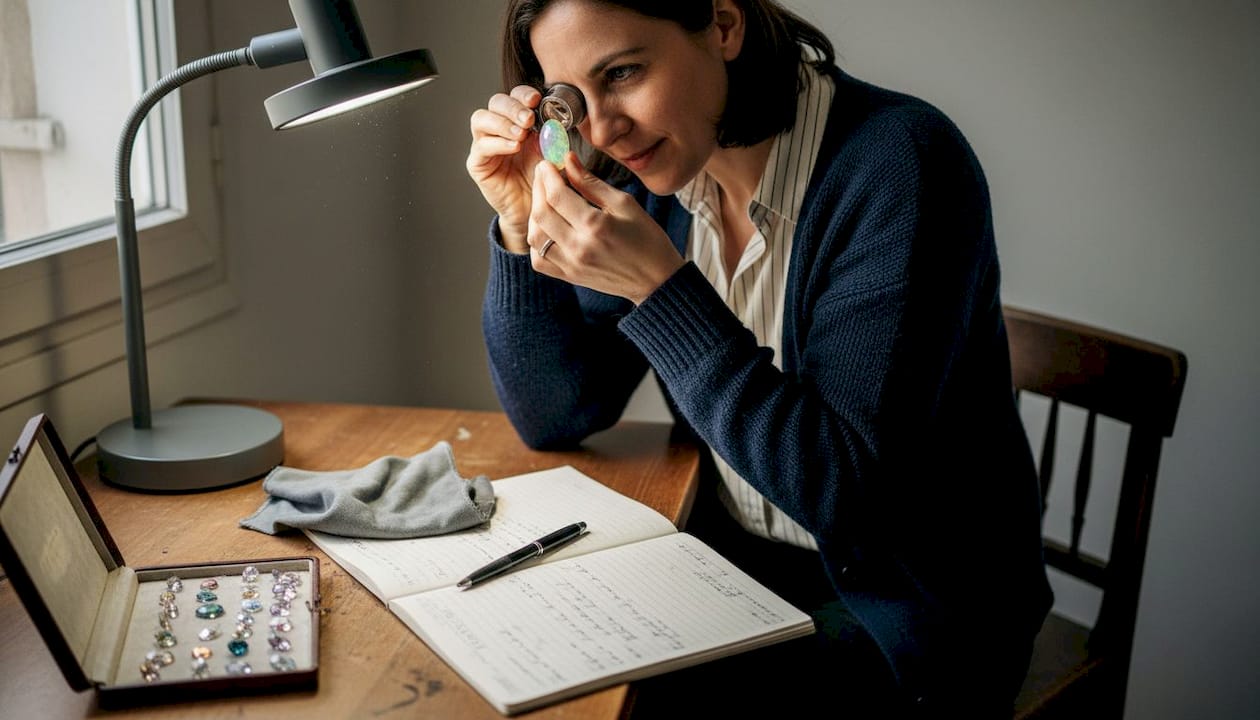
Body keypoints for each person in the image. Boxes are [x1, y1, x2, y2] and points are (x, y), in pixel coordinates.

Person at [466, 0, 1052, 715]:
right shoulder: (656, 185)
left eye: (623, 72)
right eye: (573, 101)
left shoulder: (901, 162)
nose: (603, 129)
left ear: (722, 23)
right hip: (730, 568)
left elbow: (846, 494)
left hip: (909, 618)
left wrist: (660, 292)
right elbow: (554, 411)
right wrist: (520, 227)